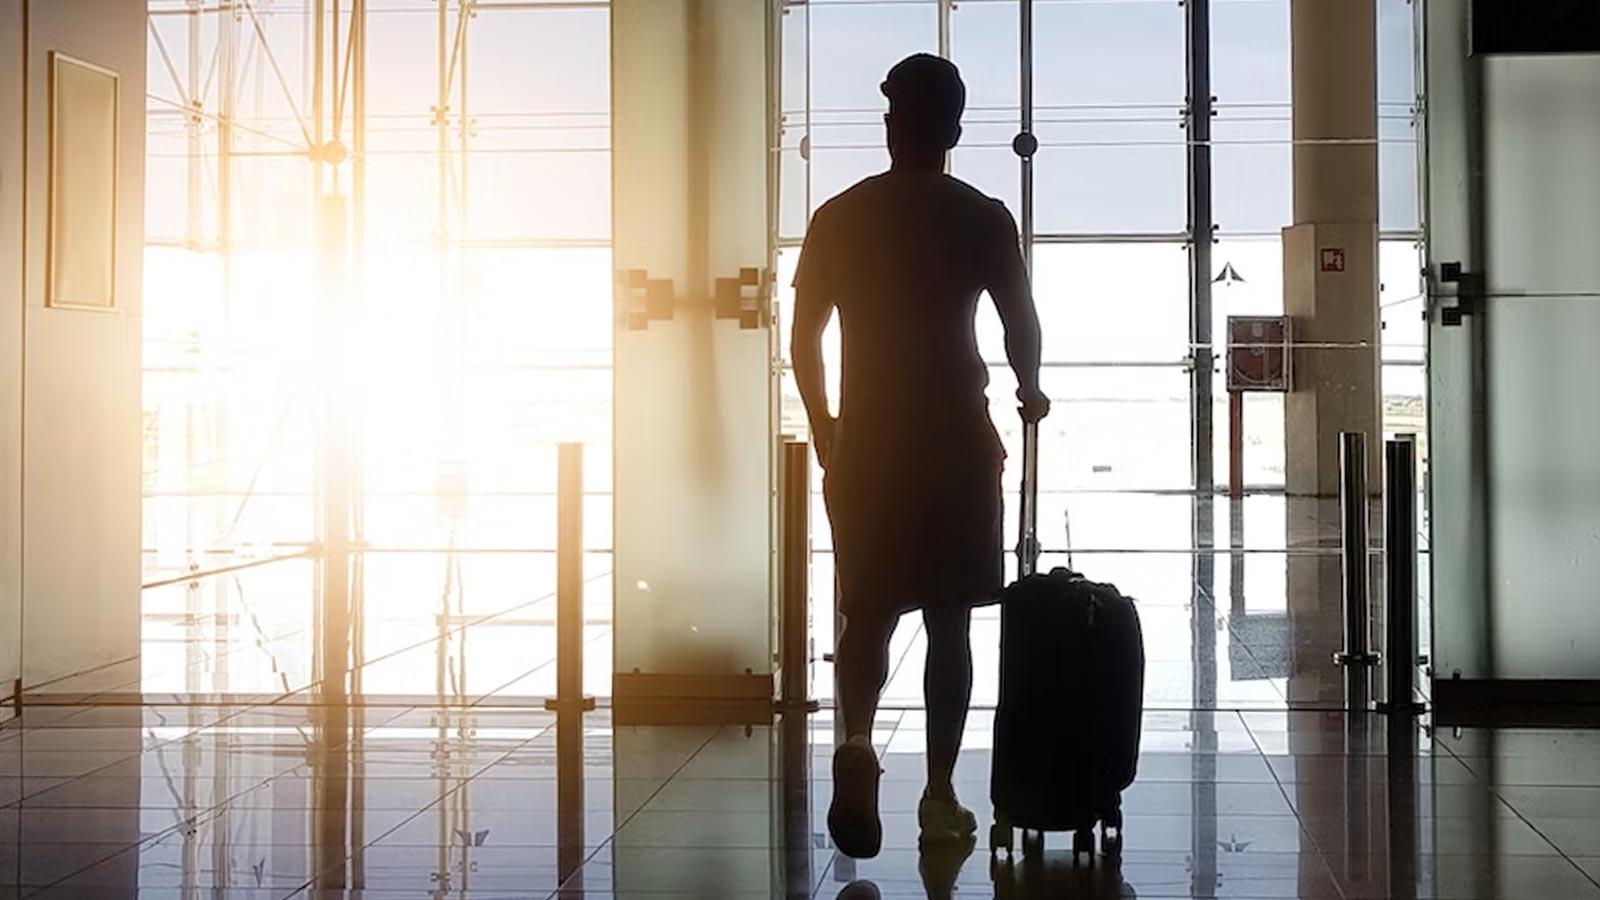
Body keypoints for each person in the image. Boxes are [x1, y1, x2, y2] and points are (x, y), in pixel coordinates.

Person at [791, 53, 1049, 859]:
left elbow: (803, 339)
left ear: (891, 123)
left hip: (868, 441)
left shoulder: (838, 216)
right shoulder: (980, 215)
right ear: (956, 130)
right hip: (954, 443)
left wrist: (827, 424)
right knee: (949, 621)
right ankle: (938, 792)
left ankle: (859, 743)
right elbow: (1020, 321)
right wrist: (1028, 389)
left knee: (865, 608)